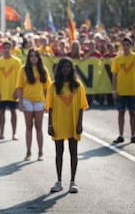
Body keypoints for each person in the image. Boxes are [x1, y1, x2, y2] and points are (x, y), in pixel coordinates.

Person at [45, 57, 88, 193]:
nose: (66, 69)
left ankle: (73, 182)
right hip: (58, 123)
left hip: (73, 123)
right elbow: (50, 107)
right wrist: (50, 125)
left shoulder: (77, 85)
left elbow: (81, 106)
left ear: (72, 69)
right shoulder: (53, 86)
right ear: (59, 69)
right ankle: (59, 181)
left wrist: (80, 123)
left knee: (73, 152)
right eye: (63, 67)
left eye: (68, 67)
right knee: (59, 152)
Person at [16, 48, 51, 161]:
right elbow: (19, 87)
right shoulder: (23, 69)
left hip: (40, 101)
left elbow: (47, 88)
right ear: (28, 57)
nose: (33, 58)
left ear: (38, 57)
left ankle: (40, 152)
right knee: (29, 127)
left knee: (39, 127)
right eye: (31, 56)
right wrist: (20, 102)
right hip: (27, 101)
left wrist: (47, 102)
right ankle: (28, 151)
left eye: (35, 56)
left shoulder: (43, 70)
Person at [111, 37, 135, 144]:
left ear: (131, 45)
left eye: (127, 45)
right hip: (121, 91)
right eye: (124, 44)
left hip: (132, 90)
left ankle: (133, 135)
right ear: (122, 45)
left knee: (132, 113)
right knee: (121, 113)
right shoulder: (118, 59)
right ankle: (121, 135)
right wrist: (114, 90)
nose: (125, 47)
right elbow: (114, 75)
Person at [0, 40, 22, 141]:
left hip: (12, 92)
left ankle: (14, 134)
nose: (6, 50)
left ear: (12, 49)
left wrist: (17, 91)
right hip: (2, 93)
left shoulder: (17, 62)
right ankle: (1, 133)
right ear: (1, 49)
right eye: (4, 48)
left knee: (13, 112)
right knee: (1, 112)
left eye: (8, 47)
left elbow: (19, 78)